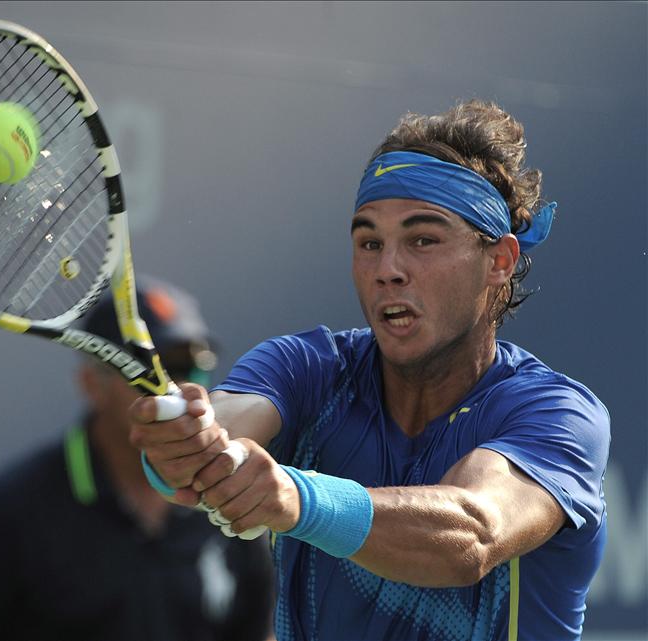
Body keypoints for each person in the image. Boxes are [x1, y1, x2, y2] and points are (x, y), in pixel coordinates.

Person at [130, 100, 610, 641]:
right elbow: (217, 437)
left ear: (498, 260)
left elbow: (474, 532)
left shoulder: (556, 414)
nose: (388, 270)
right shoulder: (307, 368)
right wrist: (184, 448)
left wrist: (296, 499)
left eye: (422, 240)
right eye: (369, 243)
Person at [0, 274, 276, 641]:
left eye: (188, 363)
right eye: (146, 367)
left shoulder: (233, 495)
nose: (172, 386)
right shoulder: (13, 510)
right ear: (92, 385)